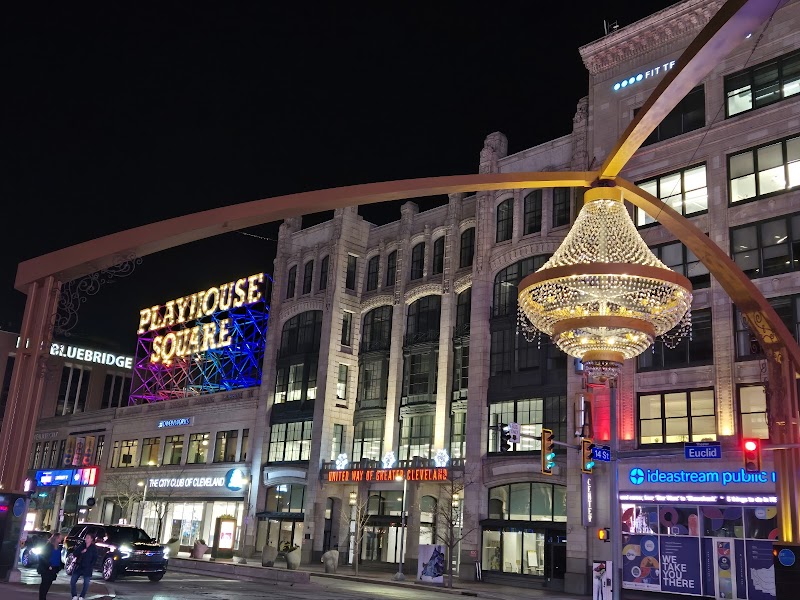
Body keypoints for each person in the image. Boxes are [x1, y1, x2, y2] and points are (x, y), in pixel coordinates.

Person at [70, 532, 98, 600]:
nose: (86, 539)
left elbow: (95, 558)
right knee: (73, 581)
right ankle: (74, 595)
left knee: (86, 583)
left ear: (91, 539)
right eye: (86, 537)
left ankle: (82, 596)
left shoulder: (93, 548)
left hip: (87, 568)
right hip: (79, 566)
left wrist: (91, 565)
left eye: (88, 538)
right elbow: (75, 553)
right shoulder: (82, 545)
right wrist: (81, 552)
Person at [37, 532, 63, 600]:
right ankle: (42, 598)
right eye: (59, 538)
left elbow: (58, 557)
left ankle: (43, 597)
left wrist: (60, 566)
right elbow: (42, 556)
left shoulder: (58, 547)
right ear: (56, 538)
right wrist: (48, 565)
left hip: (54, 568)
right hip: (47, 568)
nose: (61, 539)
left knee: (48, 584)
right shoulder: (48, 546)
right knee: (44, 584)